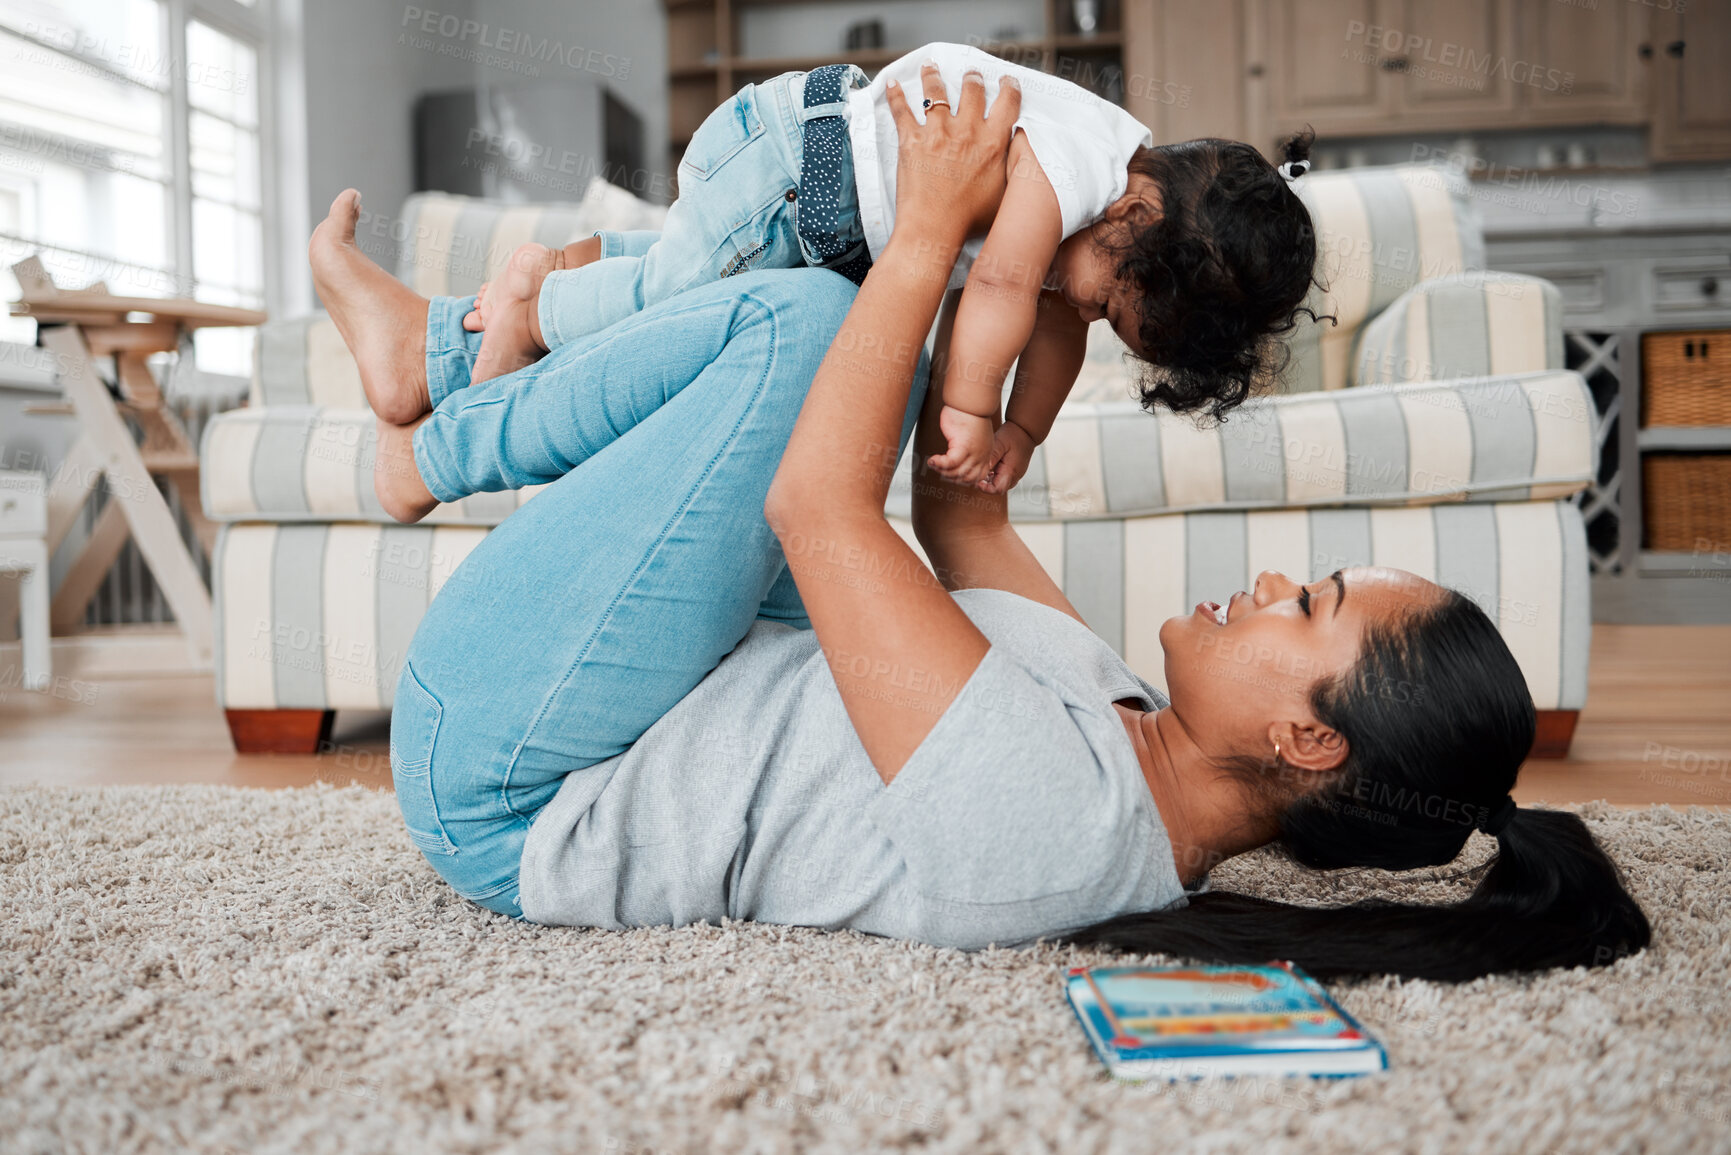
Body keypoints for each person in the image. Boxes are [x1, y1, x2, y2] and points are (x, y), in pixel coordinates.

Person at [308, 65, 1648, 982]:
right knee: (828, 314)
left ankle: (428, 427)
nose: (1278, 579)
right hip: (643, 692)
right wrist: (1008, 322)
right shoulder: (1122, 714)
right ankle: (469, 343)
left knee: (806, 325)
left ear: (1306, 736)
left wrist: (927, 232)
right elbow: (956, 500)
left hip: (516, 776)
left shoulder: (1059, 826)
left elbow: (817, 508)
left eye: (1311, 607)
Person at [358, 42, 1323, 502]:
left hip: (826, 224)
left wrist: (1024, 432)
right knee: (677, 298)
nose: (1087, 313)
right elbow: (993, 293)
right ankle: (536, 301)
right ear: (1138, 215)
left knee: (684, 307)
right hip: (790, 165)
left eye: (1113, 323)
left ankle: (520, 302)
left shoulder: (1106, 225)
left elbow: (1054, 331)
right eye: (1113, 300)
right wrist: (974, 411)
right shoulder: (1074, 162)